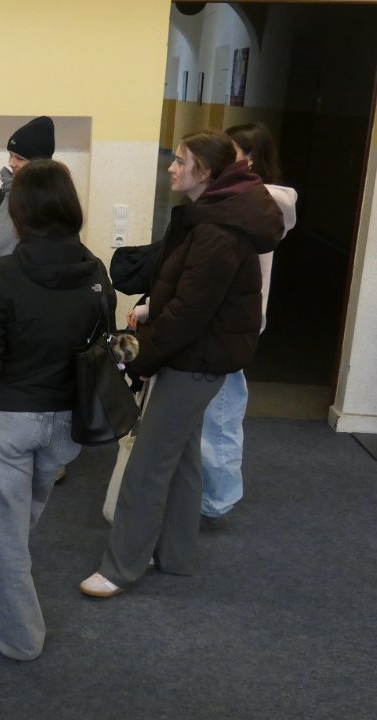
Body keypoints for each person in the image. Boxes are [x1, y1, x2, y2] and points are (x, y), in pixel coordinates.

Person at [80, 129, 283, 598]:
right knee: (184, 457)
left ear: (204, 172)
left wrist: (139, 358)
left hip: (196, 360)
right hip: (199, 356)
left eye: (180, 160)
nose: (171, 168)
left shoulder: (217, 232)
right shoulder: (212, 218)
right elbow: (189, 293)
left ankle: (120, 568)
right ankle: (175, 555)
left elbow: (190, 314)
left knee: (147, 464)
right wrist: (152, 315)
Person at [0, 159, 115, 660]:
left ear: (18, 212)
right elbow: (103, 345)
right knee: (11, 524)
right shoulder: (95, 271)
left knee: (6, 530)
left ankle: (21, 637)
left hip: (10, 418)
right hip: (68, 422)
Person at [199, 123, 298, 529]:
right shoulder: (242, 200)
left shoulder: (263, 202)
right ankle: (209, 491)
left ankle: (217, 500)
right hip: (224, 316)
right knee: (213, 407)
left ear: (251, 159)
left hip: (237, 319)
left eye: (231, 151)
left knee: (222, 410)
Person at [0, 116, 55, 273]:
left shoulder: (53, 201)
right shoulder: (2, 195)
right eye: (10, 155)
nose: (11, 163)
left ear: (39, 163)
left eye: (19, 158)